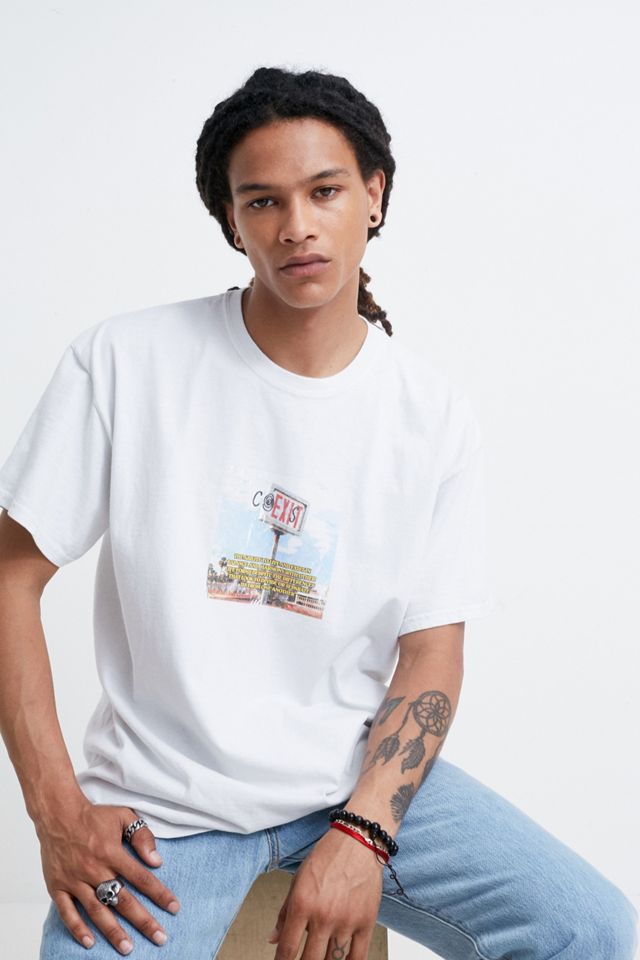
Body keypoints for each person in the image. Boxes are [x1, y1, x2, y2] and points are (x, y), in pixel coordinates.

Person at [0, 66, 636, 960]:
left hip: (350, 786)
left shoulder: (429, 415)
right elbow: (10, 576)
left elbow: (432, 651)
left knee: (591, 929)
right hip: (166, 813)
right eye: (262, 201)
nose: (295, 224)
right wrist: (57, 814)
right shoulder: (125, 362)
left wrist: (365, 832)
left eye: (324, 191)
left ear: (374, 195)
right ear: (232, 221)